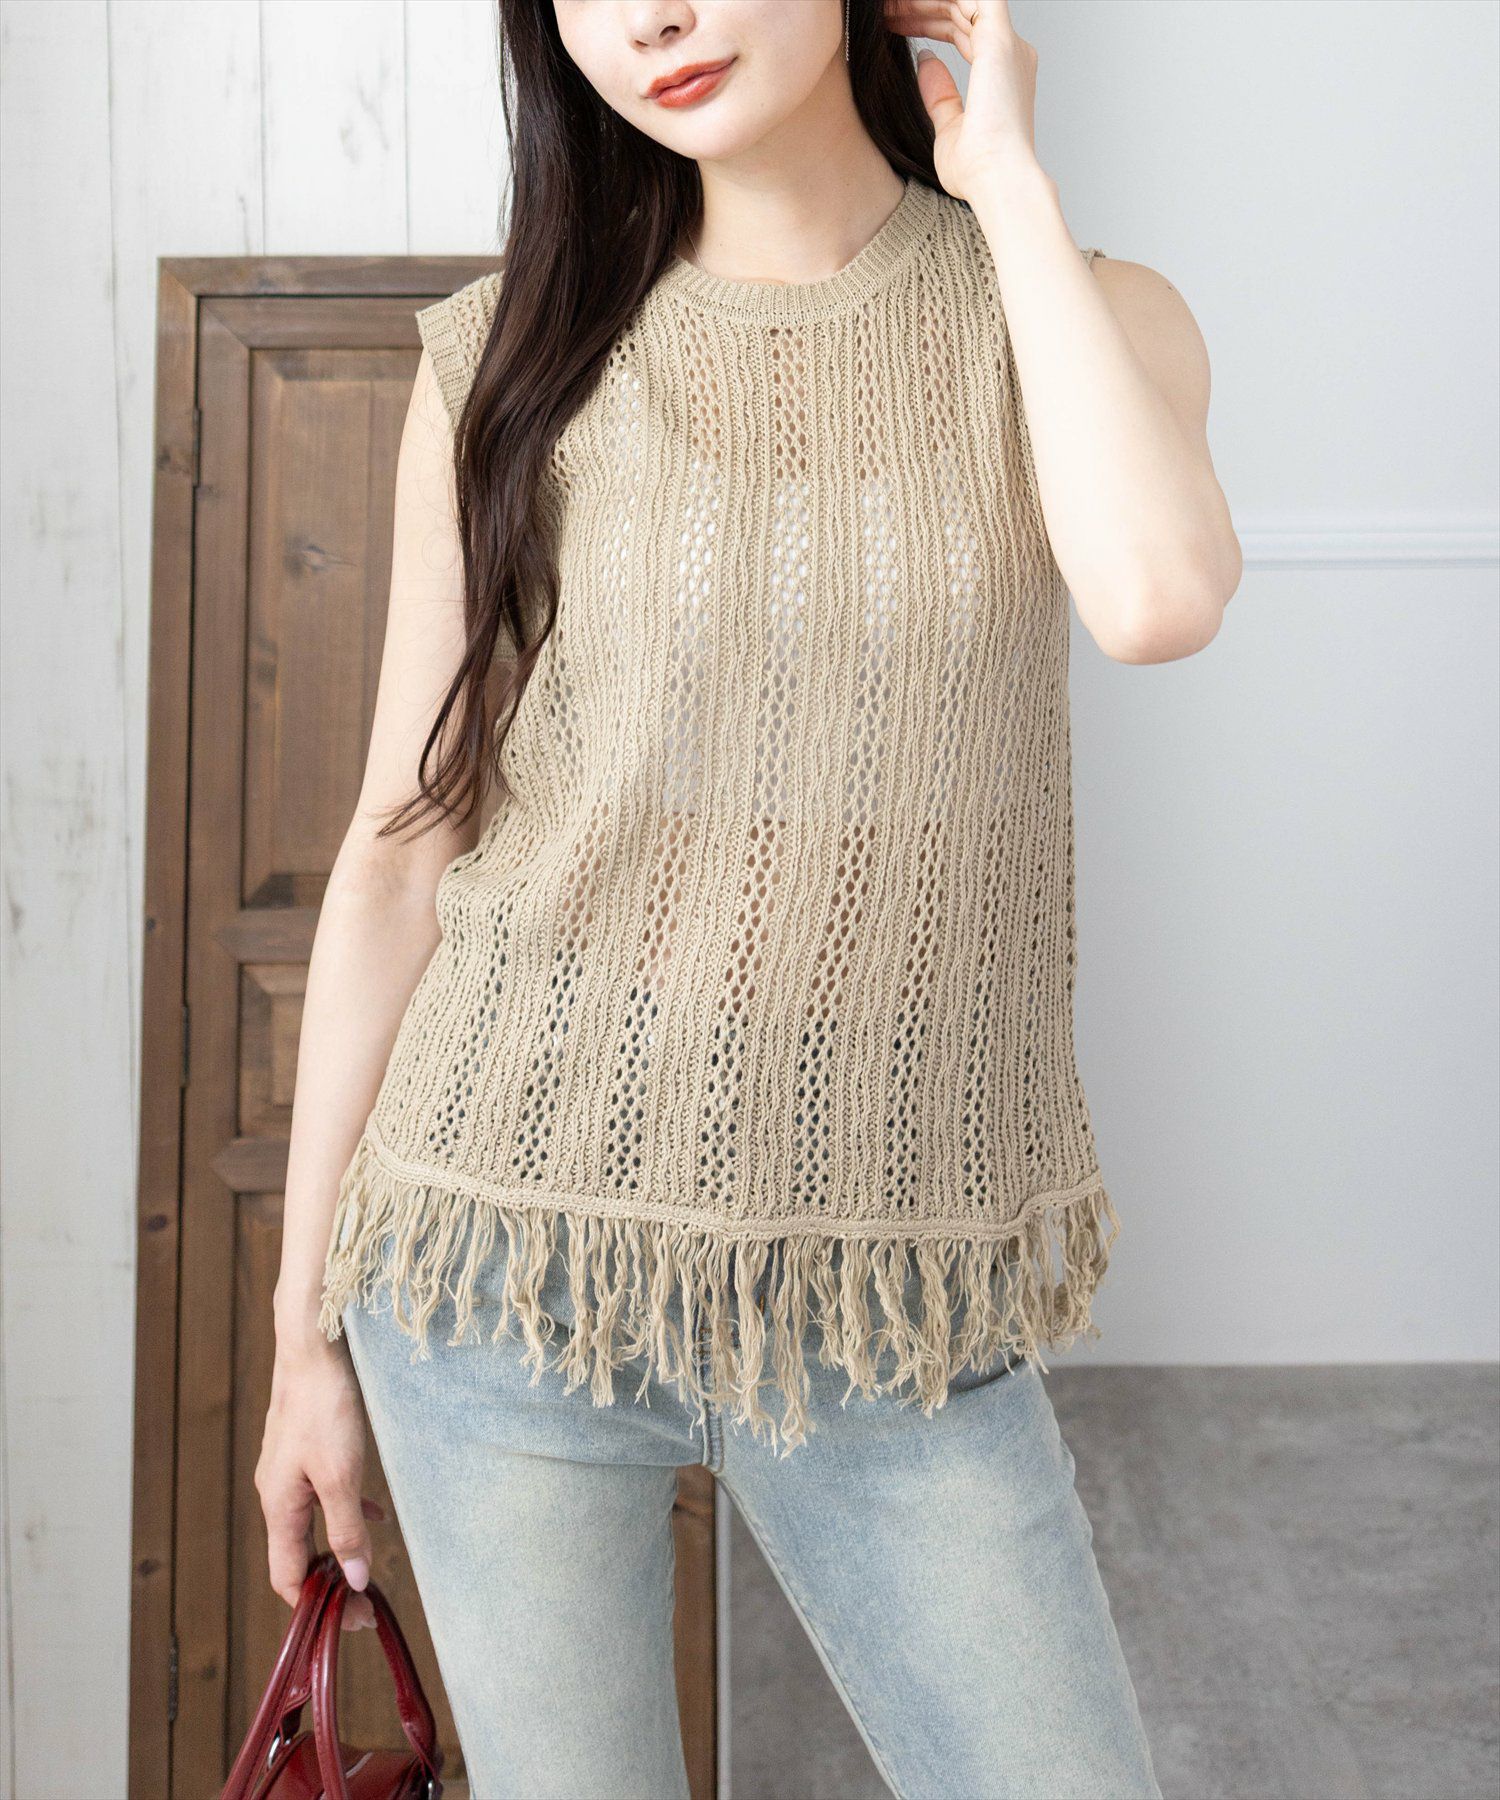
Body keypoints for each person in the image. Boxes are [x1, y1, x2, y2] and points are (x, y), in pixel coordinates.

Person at [255, 2, 1238, 1794]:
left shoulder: (1076, 309)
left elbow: (1158, 597)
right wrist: (298, 1341)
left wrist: (1005, 179)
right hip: (505, 1267)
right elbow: (403, 852)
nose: (650, 17)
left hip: (892, 1301)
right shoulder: (511, 356)